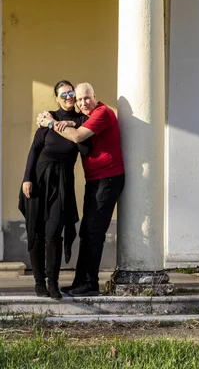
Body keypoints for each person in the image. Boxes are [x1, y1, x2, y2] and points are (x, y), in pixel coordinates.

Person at [37, 82, 124, 297]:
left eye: (87, 98)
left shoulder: (102, 112)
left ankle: (89, 283)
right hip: (95, 180)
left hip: (107, 179)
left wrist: (51, 124)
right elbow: (75, 124)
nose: (83, 103)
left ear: (95, 96)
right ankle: (82, 282)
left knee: (94, 232)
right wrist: (58, 121)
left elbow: (77, 136)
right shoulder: (90, 115)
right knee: (87, 231)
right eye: (78, 100)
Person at [18, 80, 90, 300]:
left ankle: (53, 284)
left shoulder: (82, 121)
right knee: (36, 233)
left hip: (62, 184)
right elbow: (34, 149)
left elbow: (84, 147)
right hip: (38, 181)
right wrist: (26, 178)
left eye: (71, 93)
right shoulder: (49, 116)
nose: (68, 97)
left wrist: (67, 126)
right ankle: (39, 282)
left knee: (53, 234)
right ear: (57, 98)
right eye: (63, 94)